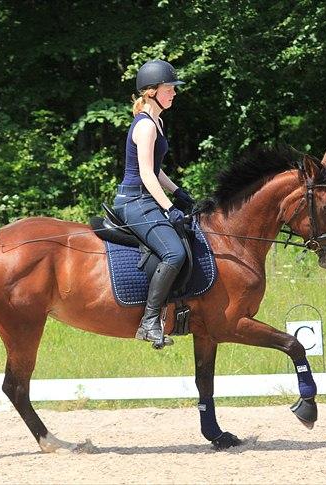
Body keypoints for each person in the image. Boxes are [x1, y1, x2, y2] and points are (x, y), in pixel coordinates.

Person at [113, 59, 195, 348]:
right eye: (169, 88)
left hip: (145, 197)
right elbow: (145, 174)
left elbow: (156, 169)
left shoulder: (156, 121)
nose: (173, 93)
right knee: (174, 253)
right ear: (151, 92)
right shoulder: (146, 126)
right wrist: (170, 208)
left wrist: (178, 191)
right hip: (133, 200)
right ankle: (149, 322)